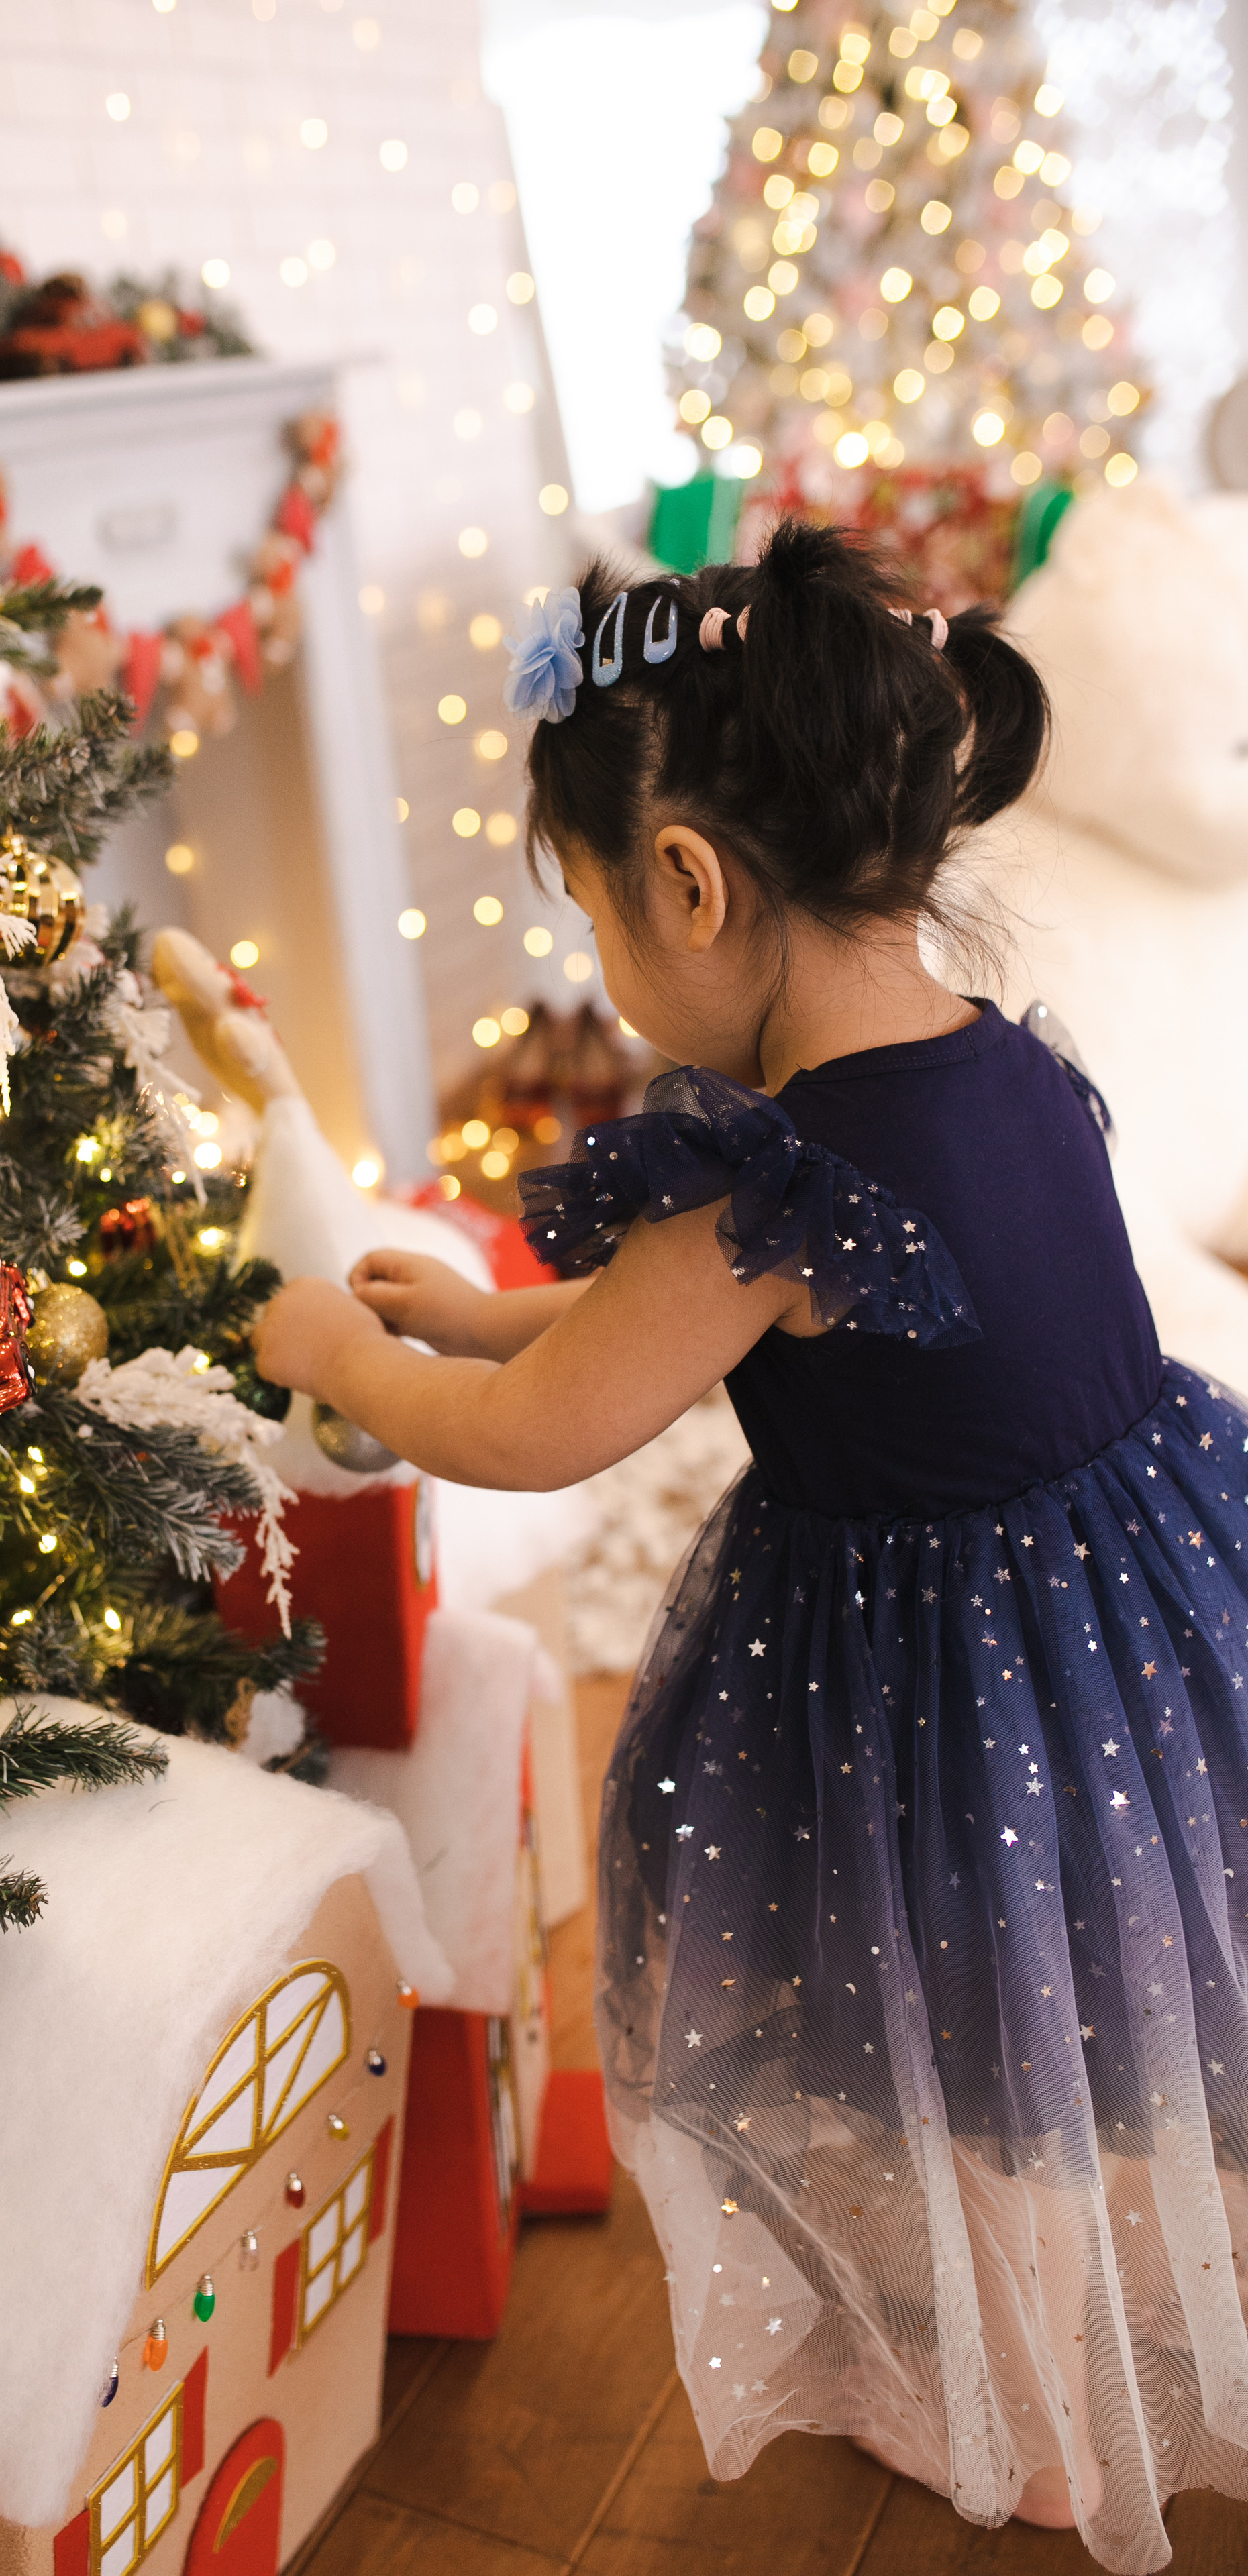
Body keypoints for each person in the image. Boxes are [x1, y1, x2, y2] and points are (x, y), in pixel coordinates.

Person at [252, 522, 1248, 2574]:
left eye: (600, 917)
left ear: (693, 882)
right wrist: (491, 1304)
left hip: (955, 1711)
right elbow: (642, 1343)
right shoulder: (1004, 1068)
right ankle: (1084, 2360)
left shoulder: (776, 1185)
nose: (609, 972)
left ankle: (1051, 2431)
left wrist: (343, 1337)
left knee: (990, 2096)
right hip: (1130, 1633)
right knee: (1084, 2041)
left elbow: (543, 1438)